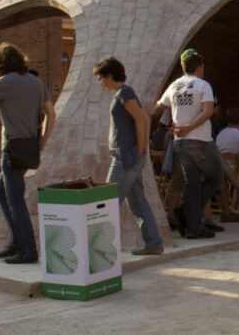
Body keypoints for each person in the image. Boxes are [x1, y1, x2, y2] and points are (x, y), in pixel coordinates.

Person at [0, 42, 55, 265]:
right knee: (2, 193)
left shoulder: (4, 82)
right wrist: (42, 140)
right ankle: (16, 241)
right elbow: (50, 113)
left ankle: (28, 250)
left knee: (15, 199)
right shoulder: (36, 82)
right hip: (29, 147)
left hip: (12, 148)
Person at [94, 56, 164, 255]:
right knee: (138, 202)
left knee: (107, 201)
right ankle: (153, 243)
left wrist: (140, 149)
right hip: (128, 155)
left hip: (126, 158)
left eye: (101, 78)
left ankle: (100, 250)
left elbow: (142, 119)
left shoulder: (125, 92)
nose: (100, 83)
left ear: (108, 75)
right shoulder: (122, 93)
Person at [150, 49, 222, 240]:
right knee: (216, 178)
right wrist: (189, 126)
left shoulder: (175, 85)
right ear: (199, 67)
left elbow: (158, 107)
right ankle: (188, 214)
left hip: (180, 141)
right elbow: (208, 111)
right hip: (200, 140)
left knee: (192, 182)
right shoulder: (203, 85)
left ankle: (192, 225)